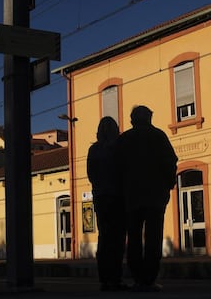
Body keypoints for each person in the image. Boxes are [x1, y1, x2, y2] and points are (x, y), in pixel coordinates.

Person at [116, 105, 178, 292]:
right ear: (150, 118)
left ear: (132, 120)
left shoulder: (124, 140)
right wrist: (167, 186)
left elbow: (116, 168)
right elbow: (170, 162)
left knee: (133, 239)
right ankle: (150, 279)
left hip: (132, 198)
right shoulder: (159, 136)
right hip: (155, 197)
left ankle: (137, 278)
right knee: (153, 238)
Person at [86, 116, 128, 292]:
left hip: (101, 198)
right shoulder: (120, 148)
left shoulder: (93, 150)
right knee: (118, 240)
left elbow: (91, 174)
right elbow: (126, 171)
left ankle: (105, 279)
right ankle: (116, 278)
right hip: (118, 198)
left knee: (104, 237)